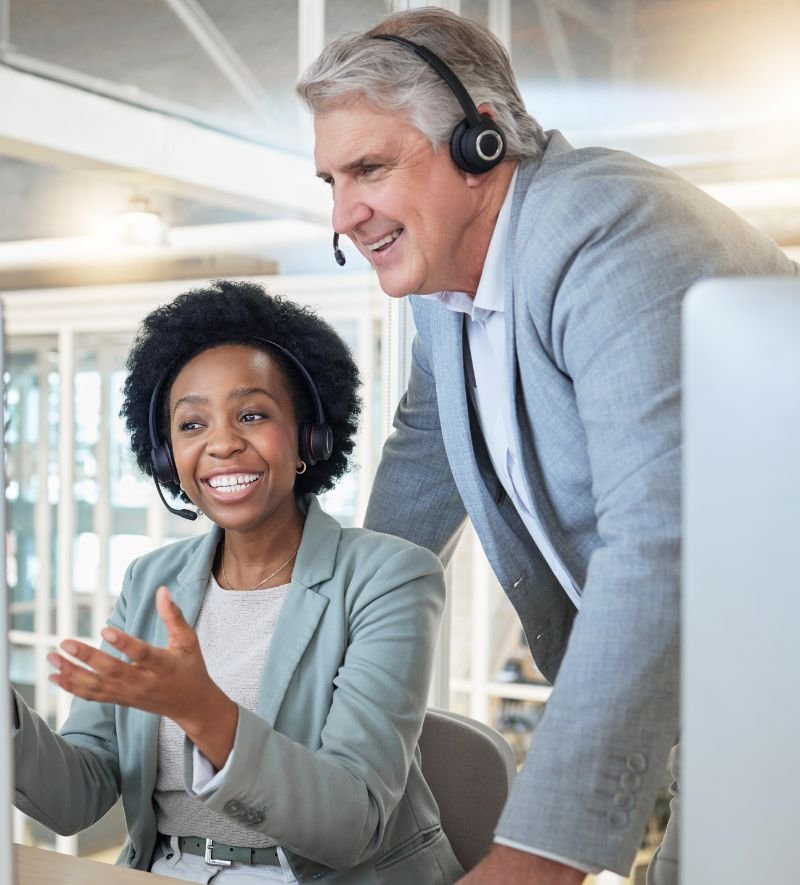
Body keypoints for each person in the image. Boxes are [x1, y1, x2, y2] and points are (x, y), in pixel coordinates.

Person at [297, 7, 800, 885]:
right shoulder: (445, 290)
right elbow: (425, 451)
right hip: (731, 685)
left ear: (481, 144)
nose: (344, 214)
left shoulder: (607, 229)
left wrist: (539, 856)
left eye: (370, 168)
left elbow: (666, 534)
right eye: (331, 181)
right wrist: (329, 650)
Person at [11, 280, 463, 884]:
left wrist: (203, 712)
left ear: (308, 437)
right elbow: (76, 798)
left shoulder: (388, 577)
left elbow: (353, 823)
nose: (222, 443)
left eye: (252, 415)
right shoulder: (151, 580)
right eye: (191, 424)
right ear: (167, 457)